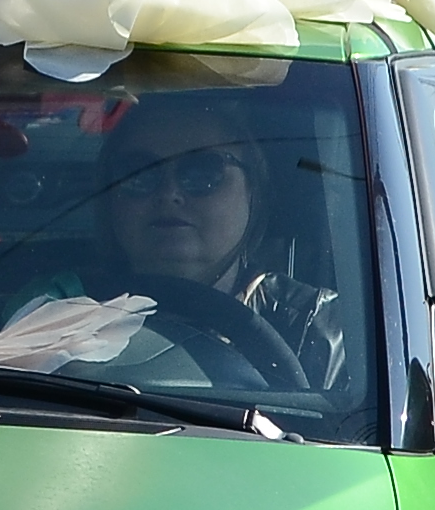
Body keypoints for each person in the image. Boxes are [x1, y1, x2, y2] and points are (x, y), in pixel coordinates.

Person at [91, 88, 343, 394]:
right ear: (110, 200)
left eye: (202, 172)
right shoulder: (49, 311)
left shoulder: (320, 328)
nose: (169, 194)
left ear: (254, 194)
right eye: (139, 174)